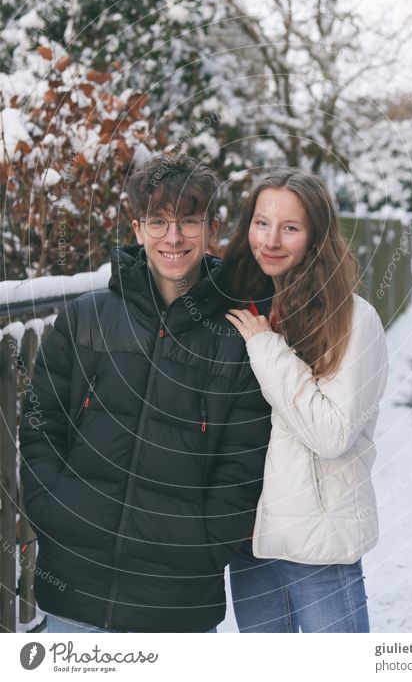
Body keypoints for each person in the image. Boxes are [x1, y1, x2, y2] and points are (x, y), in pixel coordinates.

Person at [19, 153, 271, 633]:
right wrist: (55, 510)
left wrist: (203, 545)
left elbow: (245, 463)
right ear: (136, 228)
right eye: (158, 221)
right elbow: (39, 425)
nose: (172, 238)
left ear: (210, 227)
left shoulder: (239, 337)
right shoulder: (86, 318)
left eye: (188, 222)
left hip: (176, 603)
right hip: (75, 588)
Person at [223, 169, 388, 633]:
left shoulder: (353, 319)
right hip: (250, 541)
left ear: (316, 237)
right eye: (261, 223)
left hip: (317, 539)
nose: (270, 240)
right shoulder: (242, 307)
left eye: (290, 228)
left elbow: (331, 433)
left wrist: (267, 348)